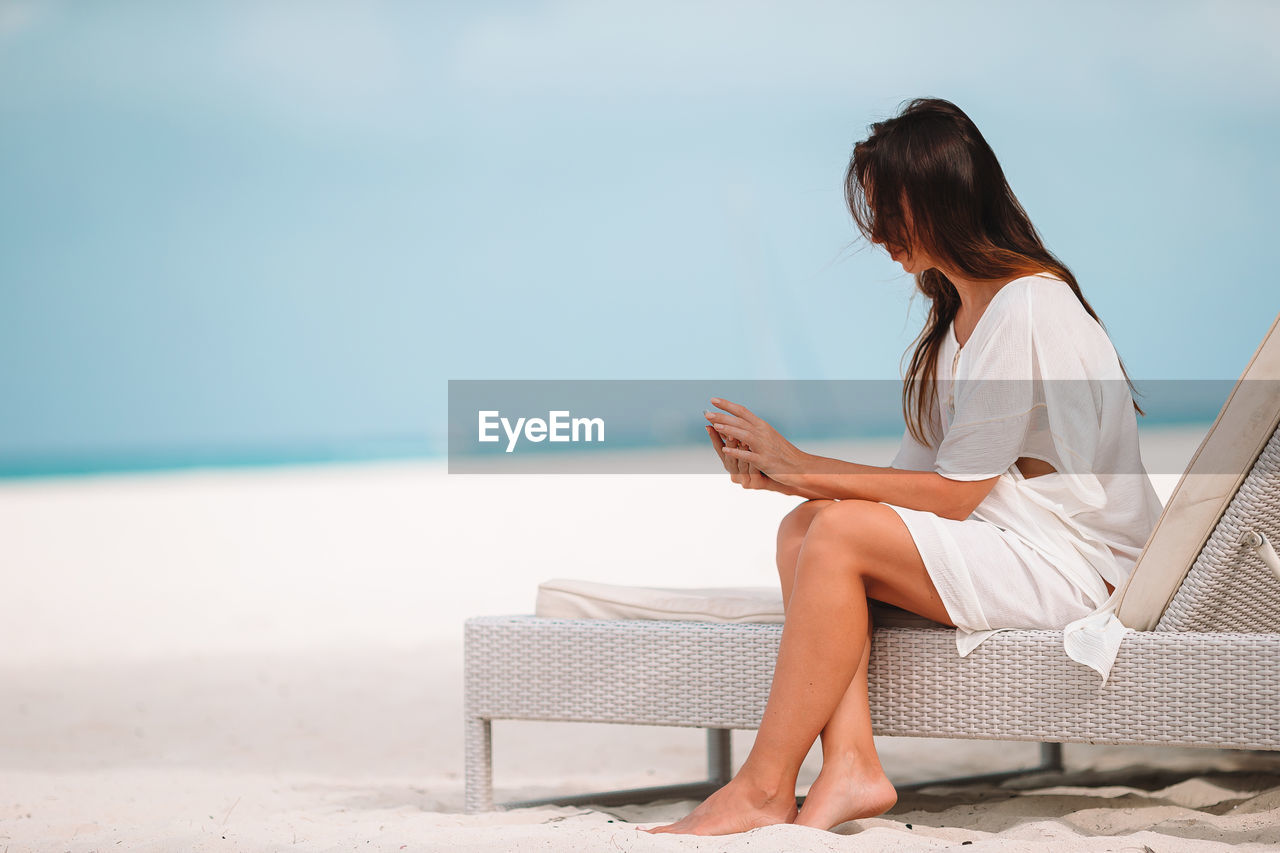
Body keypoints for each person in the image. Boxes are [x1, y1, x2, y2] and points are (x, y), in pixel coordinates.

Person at [642, 97, 1163, 836]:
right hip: (1023, 550)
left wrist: (804, 463)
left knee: (837, 533)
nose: (878, 234)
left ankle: (763, 786)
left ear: (944, 198)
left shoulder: (1028, 306)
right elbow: (904, 487)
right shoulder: (956, 326)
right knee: (808, 527)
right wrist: (790, 477)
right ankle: (852, 764)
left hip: (1082, 566)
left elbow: (950, 499)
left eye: (893, 210)